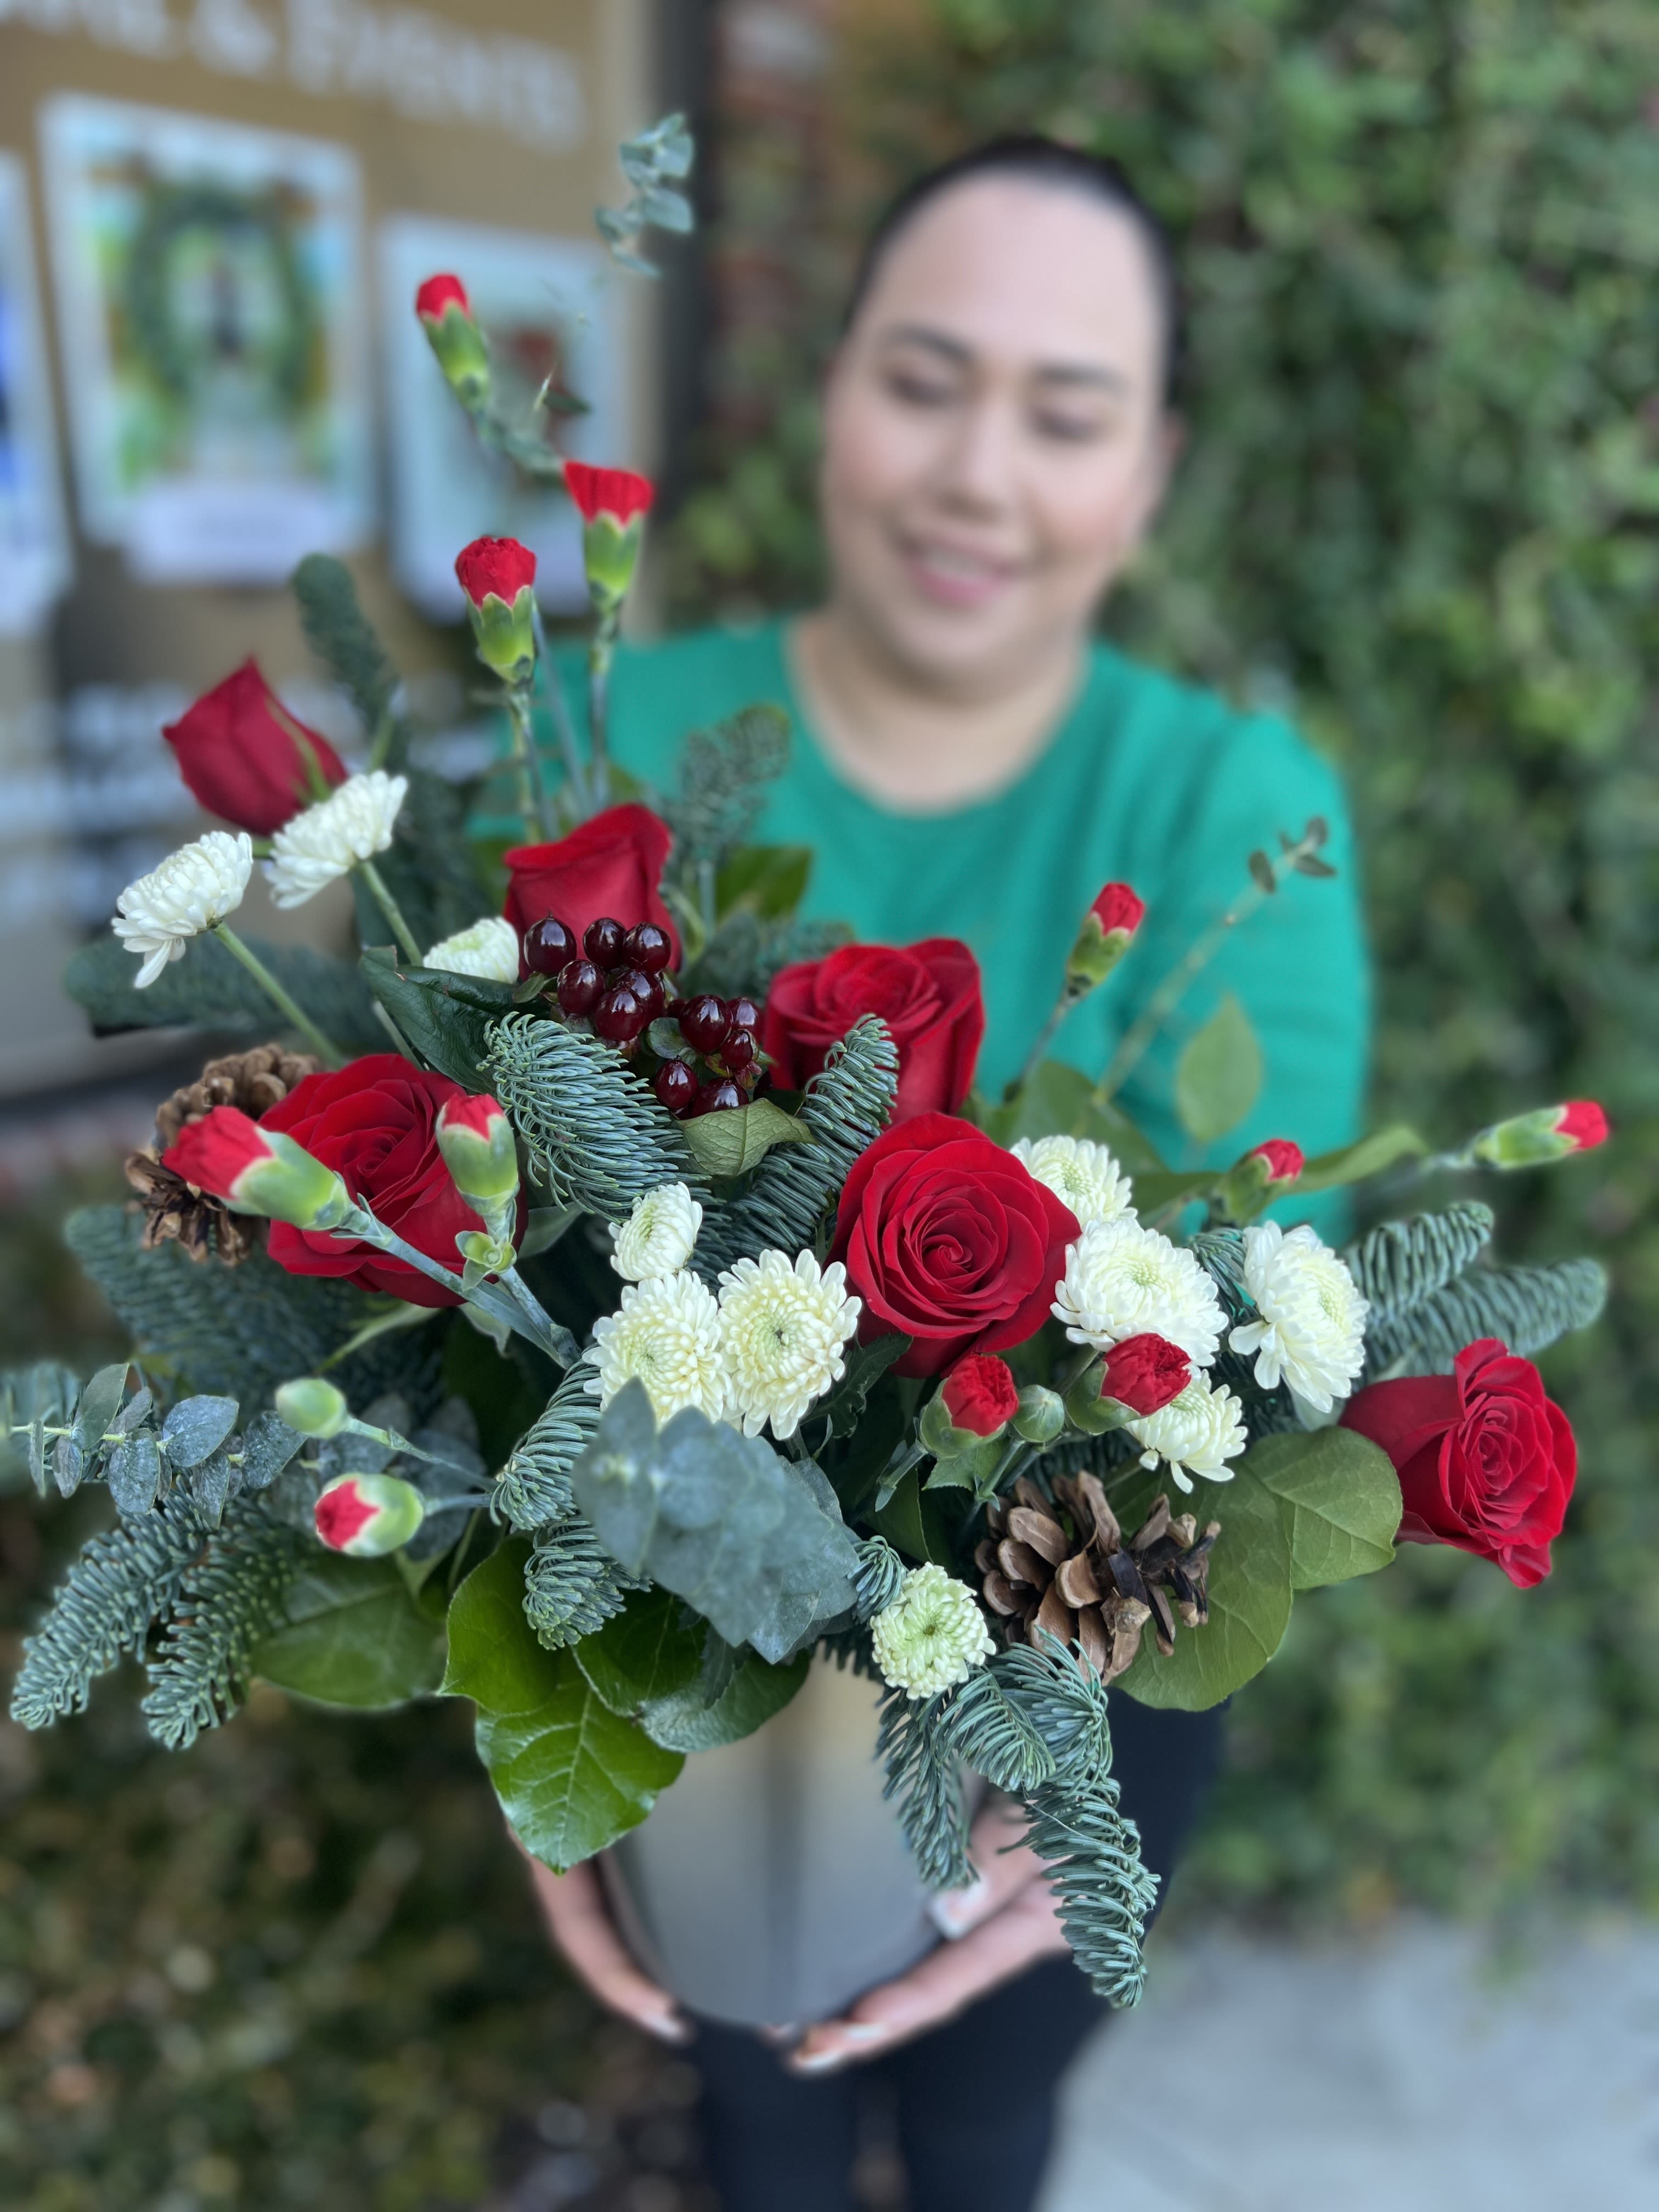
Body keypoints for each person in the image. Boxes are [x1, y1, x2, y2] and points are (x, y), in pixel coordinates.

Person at [522, 136, 1370, 2212]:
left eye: (1066, 413)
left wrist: (1044, 1765)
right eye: (925, 378)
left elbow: (1256, 1339)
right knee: (756, 2099)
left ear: (1148, 469)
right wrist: (543, 1735)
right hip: (672, 1627)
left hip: (1096, 1642)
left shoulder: (1228, 807)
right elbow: (500, 1259)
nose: (980, 470)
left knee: (991, 2111)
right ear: (831, 394)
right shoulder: (613, 735)